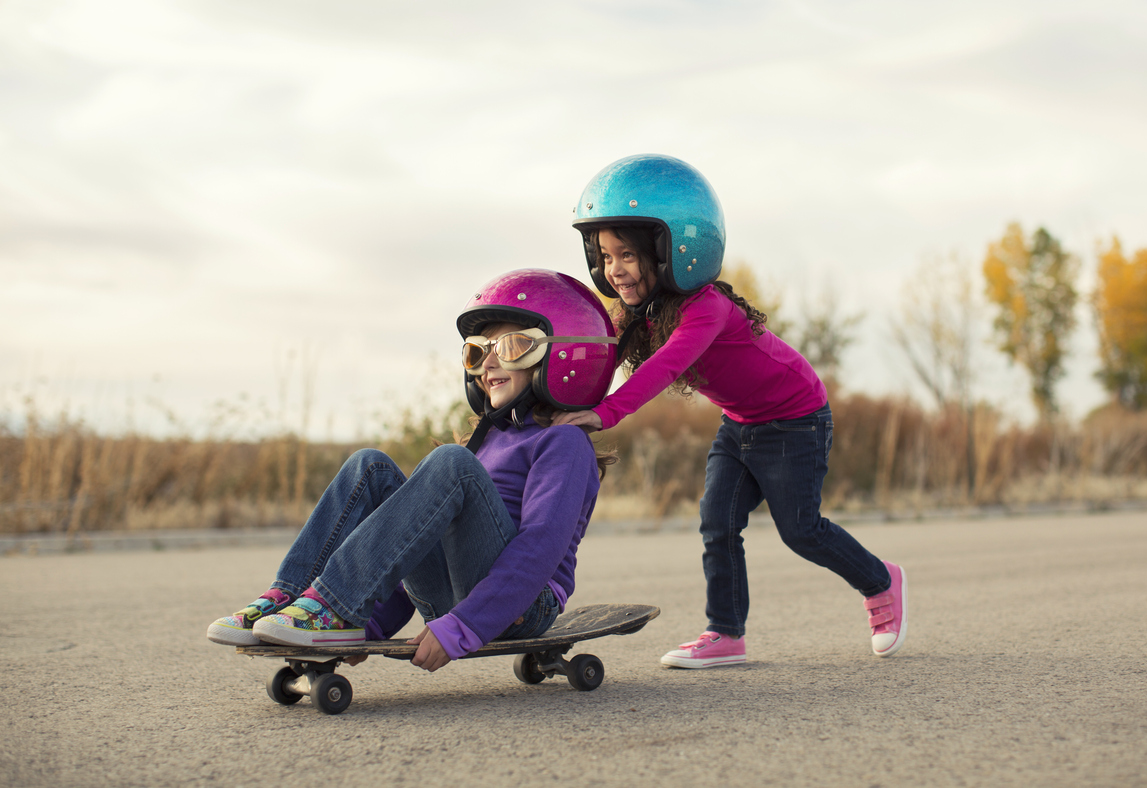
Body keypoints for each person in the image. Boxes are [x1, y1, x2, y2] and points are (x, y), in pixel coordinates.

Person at [555, 154, 908, 668]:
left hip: (795, 418)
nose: (615, 270)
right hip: (740, 423)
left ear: (673, 249)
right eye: (606, 257)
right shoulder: (641, 313)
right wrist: (558, 402)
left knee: (801, 530)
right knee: (717, 524)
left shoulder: (706, 309)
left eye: (627, 255)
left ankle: (882, 582)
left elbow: (666, 367)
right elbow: (600, 355)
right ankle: (725, 634)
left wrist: (605, 415)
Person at [207, 269, 619, 671]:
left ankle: (332, 605)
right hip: (460, 592)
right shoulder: (489, 436)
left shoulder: (563, 442)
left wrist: (465, 626)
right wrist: (368, 627)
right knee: (369, 467)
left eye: (510, 347)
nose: (488, 364)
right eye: (479, 350)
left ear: (561, 354)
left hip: (523, 606)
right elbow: (418, 543)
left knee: (451, 463)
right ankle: (293, 597)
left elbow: (540, 548)